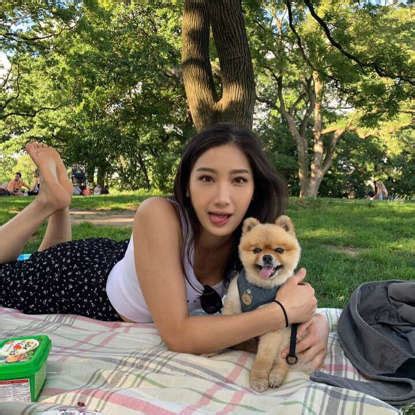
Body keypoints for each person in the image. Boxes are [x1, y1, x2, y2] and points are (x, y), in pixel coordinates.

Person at [0, 124, 328, 364]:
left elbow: (292, 297)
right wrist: (280, 314)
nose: (222, 198)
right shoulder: (158, 213)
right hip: (80, 280)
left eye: (239, 180)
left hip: (125, 260)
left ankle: (59, 204)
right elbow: (178, 335)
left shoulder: (255, 239)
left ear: (255, 189)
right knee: (22, 270)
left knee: (43, 256)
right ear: (186, 186)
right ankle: (48, 203)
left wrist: (316, 324)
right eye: (206, 178)